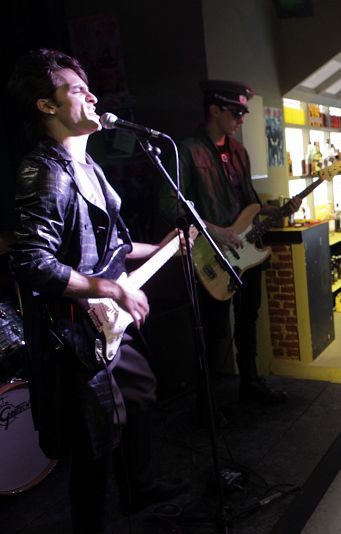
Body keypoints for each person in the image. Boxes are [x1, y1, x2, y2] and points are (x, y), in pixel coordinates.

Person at [7, 49, 183, 533]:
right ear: (46, 105)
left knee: (141, 394)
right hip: (74, 330)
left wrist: (166, 248)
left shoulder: (91, 168)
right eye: (75, 88)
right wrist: (108, 288)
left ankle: (138, 490)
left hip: (105, 320)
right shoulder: (43, 169)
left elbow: (115, 246)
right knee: (93, 446)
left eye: (89, 86)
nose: (91, 94)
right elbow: (29, 261)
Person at [158, 80, 299, 406]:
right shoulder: (186, 150)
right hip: (212, 254)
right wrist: (214, 231)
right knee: (213, 331)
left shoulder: (238, 151)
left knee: (249, 318)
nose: (241, 119)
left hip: (245, 252)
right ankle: (206, 404)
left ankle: (250, 384)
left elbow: (247, 201)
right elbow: (169, 205)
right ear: (214, 110)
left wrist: (273, 211)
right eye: (236, 112)